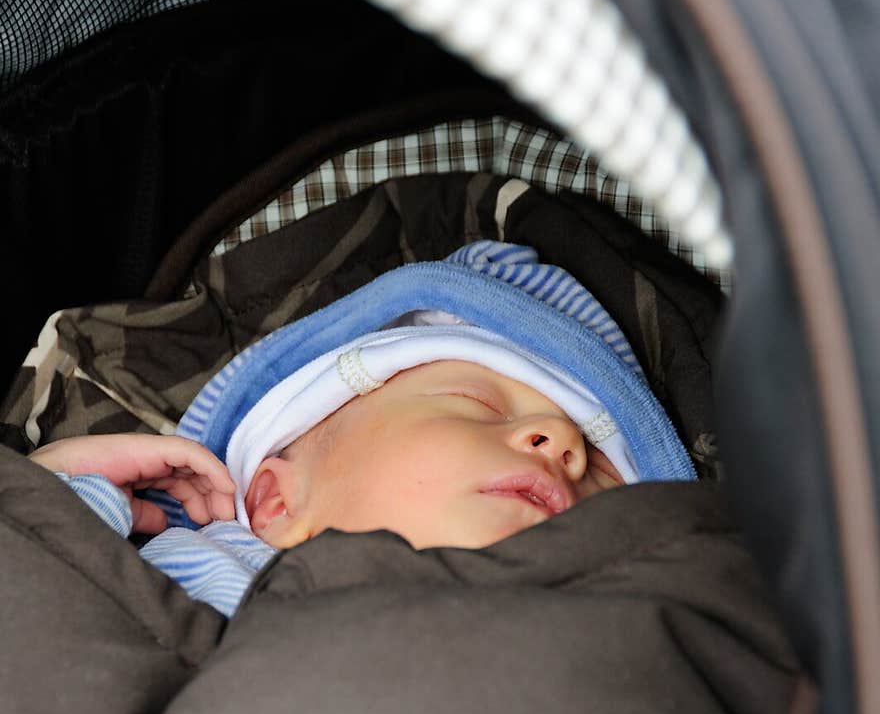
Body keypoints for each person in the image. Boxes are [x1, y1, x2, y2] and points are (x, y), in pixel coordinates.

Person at [27, 240, 696, 614]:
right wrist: (51, 495)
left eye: (607, 471)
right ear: (278, 503)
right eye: (477, 402)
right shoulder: (199, 574)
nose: (565, 443)